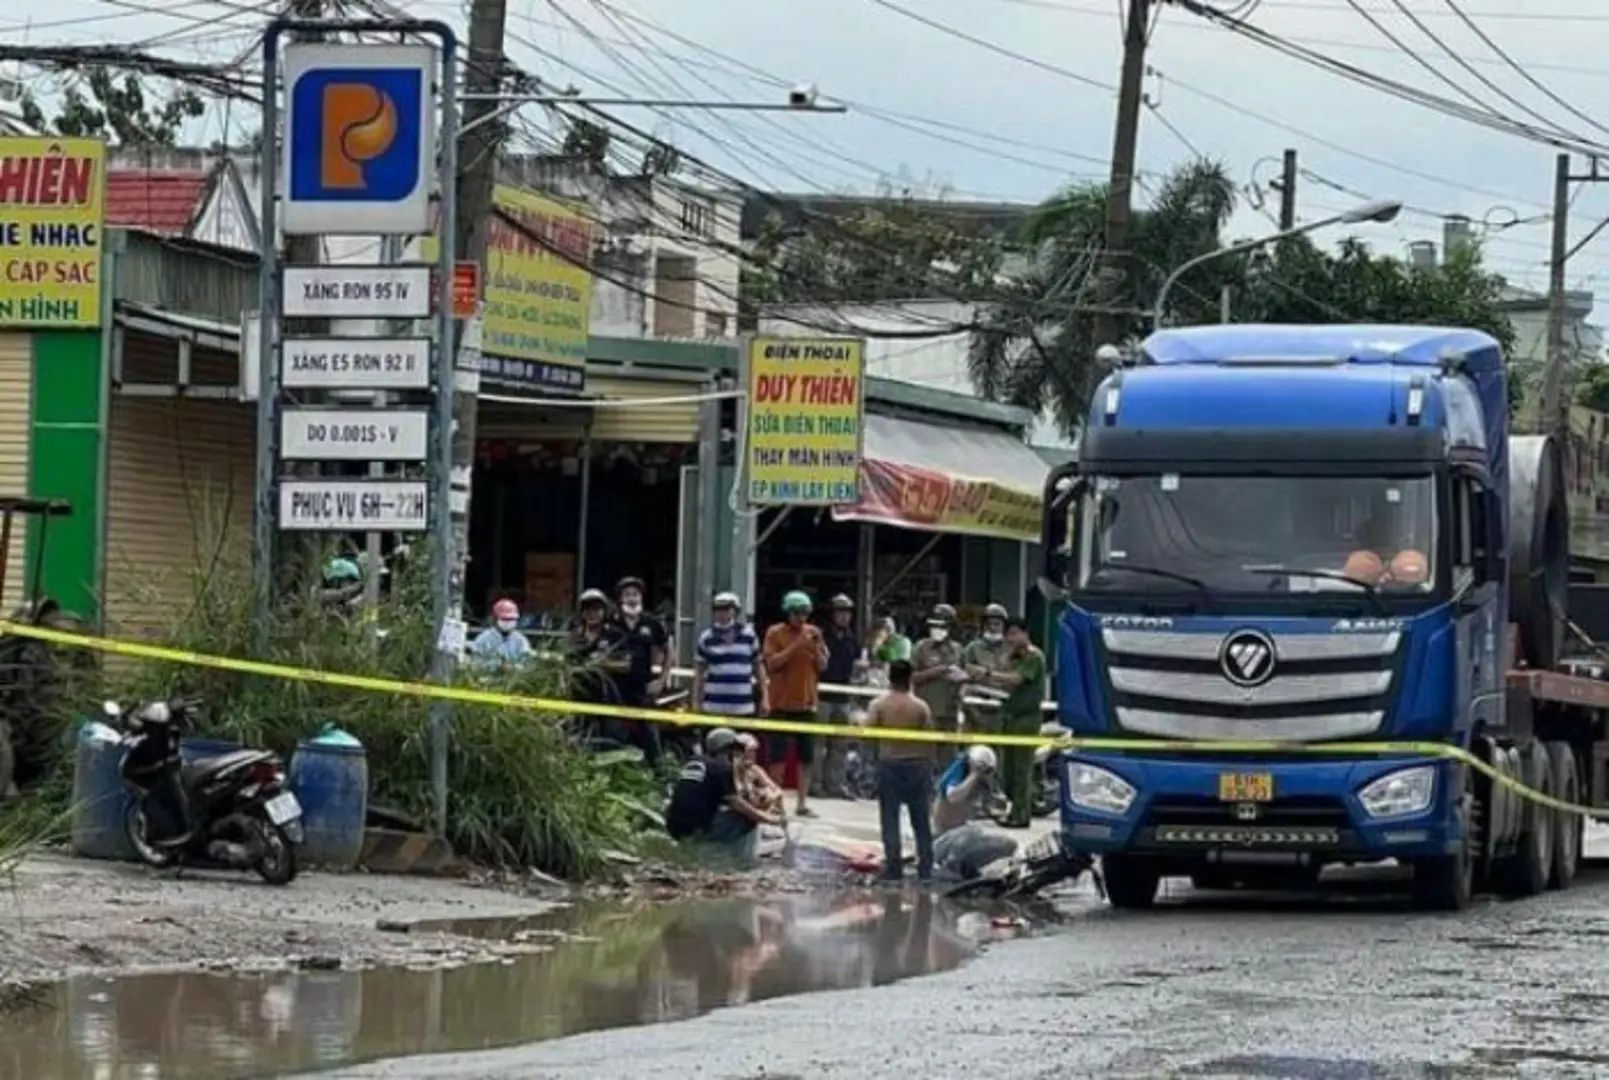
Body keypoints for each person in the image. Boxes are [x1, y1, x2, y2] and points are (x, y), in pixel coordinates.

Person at [665, 727, 779, 866]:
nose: (737, 754)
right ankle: (743, 862)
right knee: (746, 818)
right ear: (727, 750)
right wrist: (768, 819)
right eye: (735, 750)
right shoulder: (723, 768)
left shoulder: (694, 761)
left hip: (673, 827)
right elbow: (738, 804)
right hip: (698, 830)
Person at [864, 659, 935, 884]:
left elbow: (868, 732)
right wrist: (930, 766)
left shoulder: (880, 704)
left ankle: (894, 869)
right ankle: (926, 869)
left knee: (890, 819)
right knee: (921, 820)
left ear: (889, 676)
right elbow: (930, 739)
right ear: (910, 678)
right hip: (917, 766)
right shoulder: (921, 706)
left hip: (890, 765)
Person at [762, 590, 829, 818]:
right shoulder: (775, 633)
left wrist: (817, 649)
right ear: (788, 613)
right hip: (781, 703)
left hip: (806, 703)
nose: (802, 618)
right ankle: (776, 801)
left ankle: (802, 802)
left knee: (806, 757)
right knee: (778, 757)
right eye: (797, 613)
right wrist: (796, 646)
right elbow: (772, 664)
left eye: (805, 614)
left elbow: (823, 666)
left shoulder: (814, 633)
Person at [982, 617, 1048, 829]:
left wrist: (989, 673)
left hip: (1026, 720)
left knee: (1021, 769)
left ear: (1025, 634)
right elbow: (1002, 680)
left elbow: (1016, 680)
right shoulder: (1012, 656)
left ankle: (1021, 815)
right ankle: (1018, 806)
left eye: (1014, 633)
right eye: (1008, 634)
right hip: (1009, 717)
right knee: (1007, 771)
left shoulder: (1033, 656)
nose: (1010, 638)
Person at [608, 575, 669, 768]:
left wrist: (661, 680)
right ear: (620, 599)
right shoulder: (610, 623)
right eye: (627, 595)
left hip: (643, 689)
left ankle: (660, 777)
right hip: (615, 690)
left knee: (651, 738)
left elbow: (669, 651)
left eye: (635, 594)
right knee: (614, 737)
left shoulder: (651, 622)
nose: (632, 598)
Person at [931, 745, 1018, 879]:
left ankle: (967, 868)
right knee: (972, 831)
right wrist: (974, 774)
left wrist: (999, 802)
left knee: (1009, 844)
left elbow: (996, 809)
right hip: (940, 839)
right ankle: (948, 868)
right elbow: (953, 797)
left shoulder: (982, 784)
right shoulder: (958, 775)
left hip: (960, 838)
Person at [694, 592, 766, 721]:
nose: (722, 613)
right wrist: (696, 702)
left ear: (735, 611)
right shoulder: (706, 637)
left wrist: (765, 698)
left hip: (743, 706)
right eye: (717, 609)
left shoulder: (749, 635)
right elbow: (699, 673)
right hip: (713, 706)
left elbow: (759, 668)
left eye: (726, 609)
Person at [817, 594, 861, 798]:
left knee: (840, 745)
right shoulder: (820, 637)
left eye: (848, 613)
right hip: (822, 695)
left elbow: (857, 666)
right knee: (818, 744)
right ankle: (816, 785)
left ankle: (835, 785)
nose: (844, 617)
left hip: (843, 697)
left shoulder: (852, 639)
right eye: (840, 612)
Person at [910, 603, 966, 736]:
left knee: (948, 752)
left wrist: (963, 678)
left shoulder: (958, 650)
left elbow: (966, 676)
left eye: (942, 627)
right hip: (926, 710)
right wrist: (938, 671)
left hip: (950, 712)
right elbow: (911, 677)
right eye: (934, 626)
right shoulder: (921, 647)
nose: (937, 630)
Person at [962, 603, 1012, 738]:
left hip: (1003, 707)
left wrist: (985, 673)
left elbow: (1014, 676)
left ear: (1003, 626)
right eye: (989, 624)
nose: (992, 628)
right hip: (976, 707)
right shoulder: (973, 648)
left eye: (997, 624)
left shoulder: (1011, 648)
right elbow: (965, 671)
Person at [469, 598, 534, 671]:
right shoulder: (483, 639)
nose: (508, 622)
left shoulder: (521, 640)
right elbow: (476, 663)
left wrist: (513, 668)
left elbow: (527, 664)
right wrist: (496, 666)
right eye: (504, 619)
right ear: (495, 619)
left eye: (511, 619)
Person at [735, 732, 784, 816]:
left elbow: (777, 790)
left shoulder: (755, 770)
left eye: (754, 751)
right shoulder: (730, 770)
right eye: (750, 750)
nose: (753, 754)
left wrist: (769, 796)